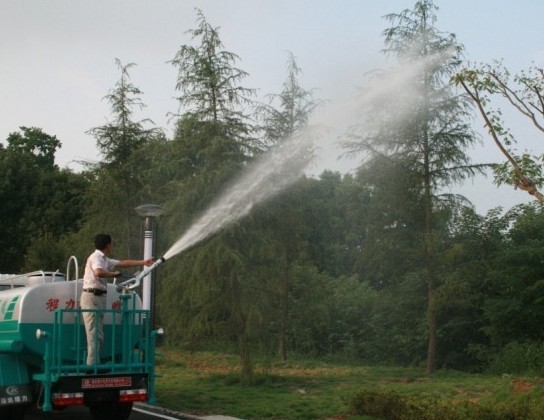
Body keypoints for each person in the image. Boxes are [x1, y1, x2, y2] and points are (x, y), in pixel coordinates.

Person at [81, 233, 153, 367]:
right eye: (111, 243)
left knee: (98, 334)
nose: (112, 246)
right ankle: (92, 367)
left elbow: (124, 263)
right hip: (92, 297)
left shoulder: (104, 259)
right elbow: (98, 272)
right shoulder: (97, 257)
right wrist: (113, 274)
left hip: (98, 297)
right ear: (107, 245)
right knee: (94, 334)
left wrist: (144, 262)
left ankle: (94, 364)